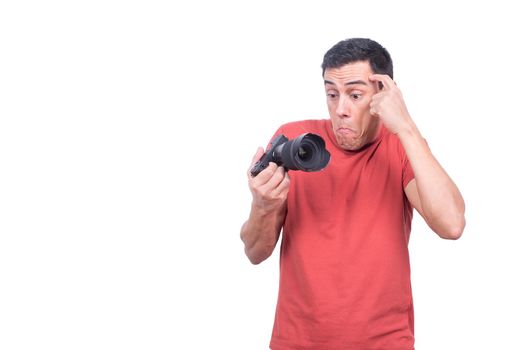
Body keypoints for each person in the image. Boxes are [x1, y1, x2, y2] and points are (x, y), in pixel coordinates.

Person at [240, 38, 465, 350]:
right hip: (298, 342)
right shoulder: (295, 142)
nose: (340, 109)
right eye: (332, 94)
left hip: (384, 343)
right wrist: (262, 205)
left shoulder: (400, 146)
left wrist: (406, 126)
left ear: (385, 95)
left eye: (355, 95)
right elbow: (255, 252)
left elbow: (451, 224)